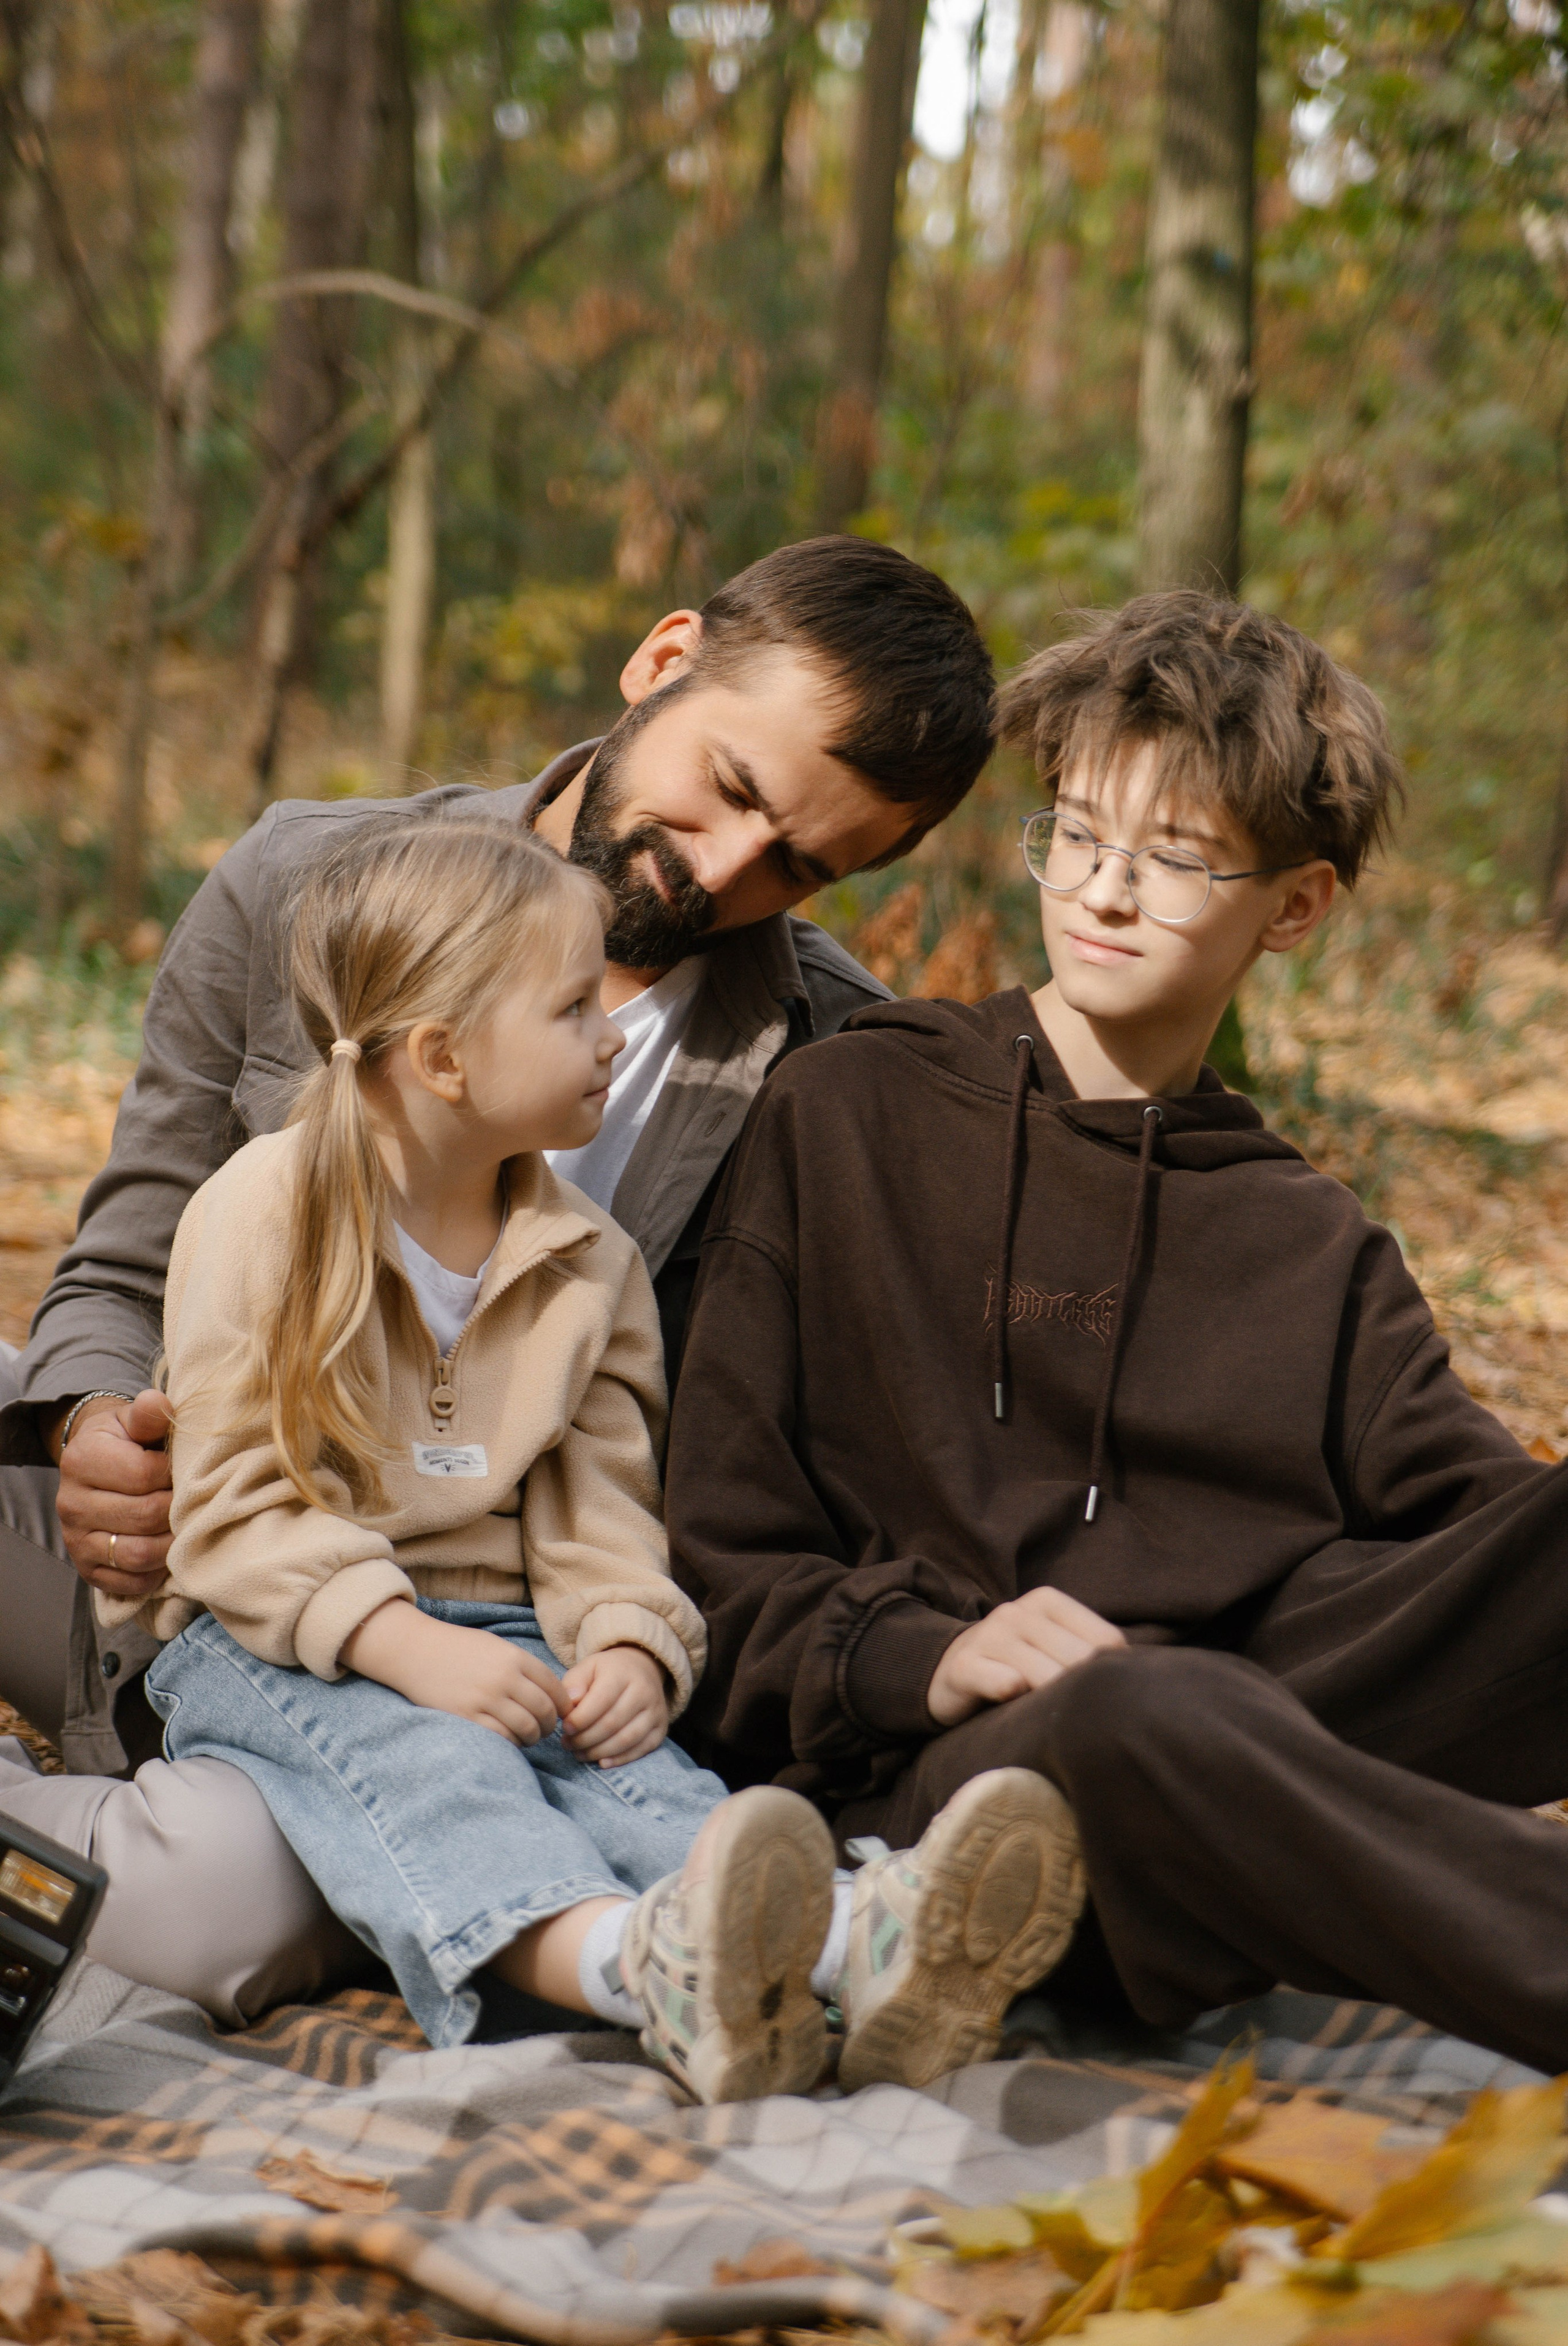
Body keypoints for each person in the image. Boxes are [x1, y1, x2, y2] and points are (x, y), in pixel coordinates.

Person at [0, 535, 995, 2022]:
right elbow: (125, 1251)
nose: (721, 873)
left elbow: (680, 1466)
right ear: (661, 664)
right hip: (189, 1532)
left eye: (798, 864)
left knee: (237, 1909)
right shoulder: (302, 880)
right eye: (728, 789)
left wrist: (622, 1643)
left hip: (479, 1635)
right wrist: (92, 1425)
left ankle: (730, 1942)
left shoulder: (830, 1062)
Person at [665, 590, 1568, 2081]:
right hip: (957, 1797)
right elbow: (720, 1572)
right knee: (1147, 1709)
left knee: (1199, 1696)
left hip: (1248, 1734)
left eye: (1172, 858)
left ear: (1293, 908)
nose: (1101, 890)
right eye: (1077, 833)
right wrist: (930, 1654)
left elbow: (1485, 1569)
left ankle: (1268, 1828)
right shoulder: (847, 1116)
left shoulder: (1306, 1239)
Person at [113, 811, 1076, 2097]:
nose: (612, 1034)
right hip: (283, 1640)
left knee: (641, 1778)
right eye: (573, 1010)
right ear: (445, 1057)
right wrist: (402, 1644)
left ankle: (864, 1951)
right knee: (443, 1774)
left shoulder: (587, 1259)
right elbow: (230, 1510)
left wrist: (623, 1636)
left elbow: (601, 1505)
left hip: (516, 1635)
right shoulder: (263, 1212)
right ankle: (638, 1969)